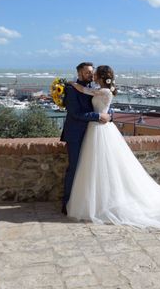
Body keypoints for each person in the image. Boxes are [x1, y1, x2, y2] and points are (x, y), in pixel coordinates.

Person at [66, 65, 160, 227]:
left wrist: (70, 84)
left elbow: (87, 93)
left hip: (100, 129)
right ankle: (95, 202)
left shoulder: (103, 91)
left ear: (102, 77)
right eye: (90, 73)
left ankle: (104, 203)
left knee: (106, 166)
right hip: (93, 129)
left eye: (95, 74)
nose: (93, 76)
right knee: (92, 166)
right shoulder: (99, 89)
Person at [60, 62, 112, 215]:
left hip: (93, 133)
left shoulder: (95, 89)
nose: (91, 75)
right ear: (79, 73)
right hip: (76, 134)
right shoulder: (71, 89)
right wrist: (98, 116)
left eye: (92, 72)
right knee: (75, 168)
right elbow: (75, 113)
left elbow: (106, 104)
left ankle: (91, 203)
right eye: (88, 72)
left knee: (94, 168)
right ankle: (68, 203)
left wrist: (109, 116)